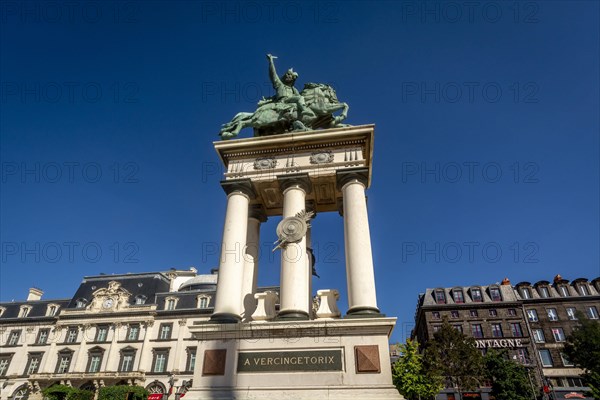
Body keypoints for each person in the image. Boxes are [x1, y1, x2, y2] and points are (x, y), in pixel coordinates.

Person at [266, 54, 315, 118]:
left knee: (301, 99)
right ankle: (304, 110)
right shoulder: (279, 84)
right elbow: (273, 73)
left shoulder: (294, 89)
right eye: (287, 74)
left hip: (291, 102)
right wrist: (271, 61)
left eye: (290, 75)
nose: (287, 76)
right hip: (282, 101)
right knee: (300, 98)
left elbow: (300, 97)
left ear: (292, 79)